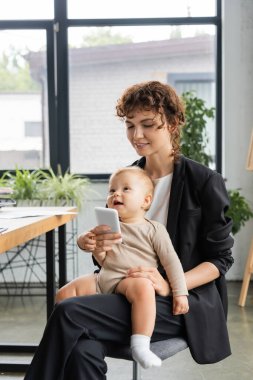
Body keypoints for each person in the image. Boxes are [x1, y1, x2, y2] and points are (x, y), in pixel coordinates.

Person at [24, 81, 234, 380]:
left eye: (148, 125)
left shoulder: (204, 181)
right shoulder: (127, 180)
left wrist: (171, 284)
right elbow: (115, 255)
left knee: (70, 312)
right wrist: (98, 250)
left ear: (172, 124)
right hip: (126, 290)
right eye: (130, 125)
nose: (137, 135)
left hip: (181, 301)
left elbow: (221, 260)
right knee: (83, 348)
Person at [55, 166, 189, 369]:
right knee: (64, 295)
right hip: (104, 277)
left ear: (146, 201)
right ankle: (67, 342)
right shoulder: (108, 224)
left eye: (126, 189)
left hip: (130, 279)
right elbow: (99, 255)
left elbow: (172, 262)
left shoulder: (154, 230)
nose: (116, 193)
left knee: (144, 288)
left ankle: (140, 344)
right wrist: (86, 242)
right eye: (111, 190)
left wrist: (180, 293)